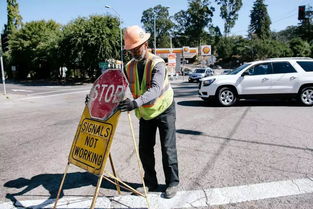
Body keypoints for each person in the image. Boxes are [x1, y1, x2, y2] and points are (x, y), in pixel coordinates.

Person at [118, 25, 179, 199]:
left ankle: (172, 183)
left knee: (168, 148)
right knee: (145, 149)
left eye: (137, 47)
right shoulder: (128, 67)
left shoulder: (157, 63)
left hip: (165, 109)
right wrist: (97, 98)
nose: (135, 51)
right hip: (146, 113)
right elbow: (117, 88)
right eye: (131, 49)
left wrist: (134, 103)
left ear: (146, 44)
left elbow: (155, 90)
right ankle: (150, 182)